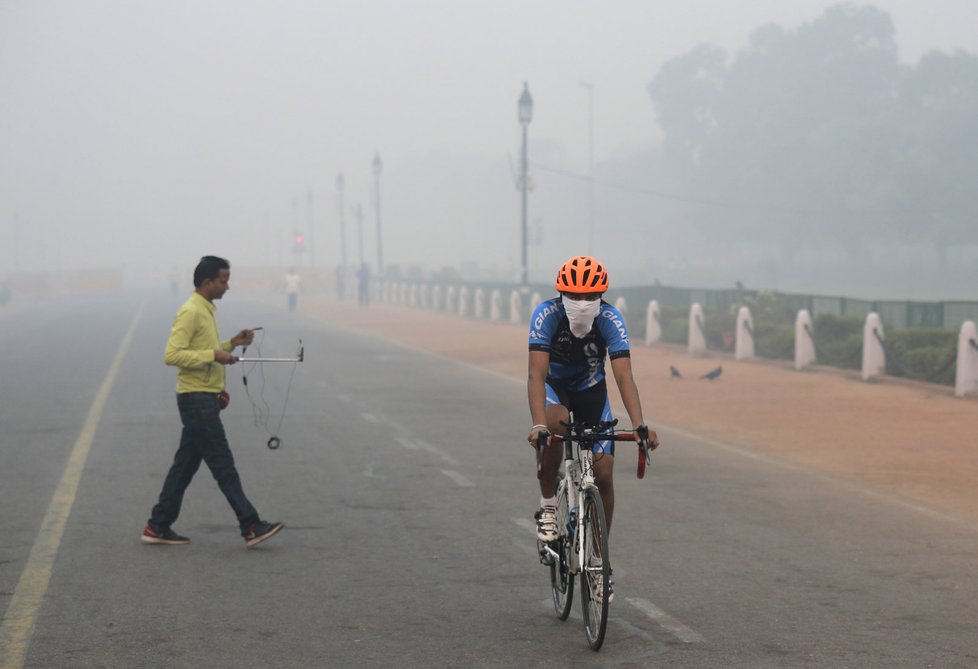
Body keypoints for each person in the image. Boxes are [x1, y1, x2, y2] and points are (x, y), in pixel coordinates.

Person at [526, 255, 659, 600]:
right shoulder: (546, 315)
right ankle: (549, 507)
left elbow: (624, 374)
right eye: (574, 296)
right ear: (561, 294)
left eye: (590, 297)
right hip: (556, 391)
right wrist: (538, 423)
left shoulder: (611, 319)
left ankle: (599, 563)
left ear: (601, 295)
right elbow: (536, 375)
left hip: (591, 393)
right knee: (554, 429)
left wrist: (640, 424)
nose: (582, 304)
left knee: (604, 473)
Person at [142, 255, 284, 548]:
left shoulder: (206, 310)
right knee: (223, 464)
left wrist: (231, 344)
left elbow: (207, 351)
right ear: (207, 282)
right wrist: (212, 356)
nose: (227, 286)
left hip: (204, 396)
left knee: (184, 467)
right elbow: (172, 355)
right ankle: (250, 524)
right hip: (195, 400)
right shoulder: (191, 312)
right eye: (223, 280)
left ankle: (157, 525)